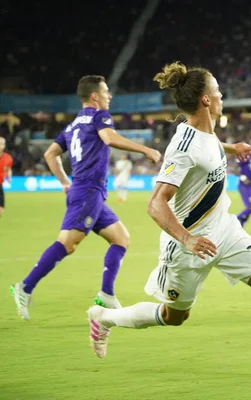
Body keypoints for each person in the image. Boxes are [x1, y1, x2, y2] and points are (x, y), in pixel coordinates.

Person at [86, 62, 251, 376]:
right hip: (188, 244)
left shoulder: (202, 132)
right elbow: (155, 204)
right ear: (206, 100)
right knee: (174, 316)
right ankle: (104, 318)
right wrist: (188, 239)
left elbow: (207, 146)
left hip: (224, 228)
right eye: (217, 91)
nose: (221, 96)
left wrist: (230, 148)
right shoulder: (182, 148)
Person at [10, 75, 161, 321]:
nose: (109, 96)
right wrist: (145, 149)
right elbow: (110, 138)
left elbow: (50, 153)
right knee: (67, 244)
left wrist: (64, 182)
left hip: (87, 191)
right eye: (106, 91)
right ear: (94, 96)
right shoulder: (100, 116)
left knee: (121, 238)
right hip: (88, 191)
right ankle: (24, 287)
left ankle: (107, 294)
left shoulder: (71, 127)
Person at [0, 137, 13, 218]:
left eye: (2, 144)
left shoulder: (8, 158)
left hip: (0, 185)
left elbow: (8, 169)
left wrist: (9, 177)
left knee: (1, 210)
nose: (0, 146)